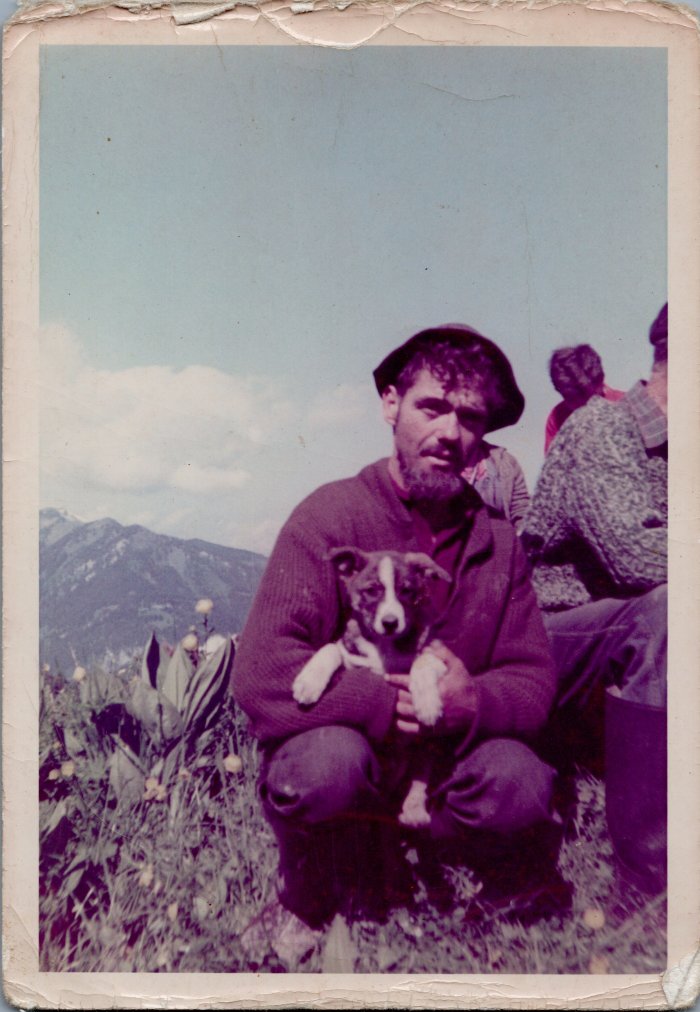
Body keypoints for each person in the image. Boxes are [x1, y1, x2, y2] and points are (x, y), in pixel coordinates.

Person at [232, 324, 568, 962]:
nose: (450, 432)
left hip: (437, 767)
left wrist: (478, 702)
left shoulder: (496, 542)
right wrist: (382, 703)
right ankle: (318, 877)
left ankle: (441, 858)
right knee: (322, 766)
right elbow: (261, 675)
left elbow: (533, 680)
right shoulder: (329, 517)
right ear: (390, 403)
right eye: (432, 407)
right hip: (351, 755)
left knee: (521, 781)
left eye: (471, 417)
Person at [521, 304, 668, 894]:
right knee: (669, 609)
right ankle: (651, 875)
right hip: (552, 637)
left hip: (623, 640)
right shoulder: (600, 427)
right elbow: (635, 559)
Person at [544, 343, 624, 453]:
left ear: (600, 381)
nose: (586, 408)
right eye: (575, 401)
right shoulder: (557, 418)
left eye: (590, 397)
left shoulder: (627, 405)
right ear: (560, 392)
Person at [462, 440, 530, 529]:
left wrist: (521, 533)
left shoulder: (506, 461)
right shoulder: (440, 460)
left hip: (500, 537)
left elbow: (520, 508)